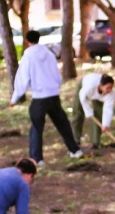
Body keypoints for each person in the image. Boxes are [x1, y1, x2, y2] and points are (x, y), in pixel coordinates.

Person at [10, 30, 82, 166]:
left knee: (37, 127)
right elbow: (56, 74)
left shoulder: (28, 56)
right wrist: (55, 87)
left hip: (39, 97)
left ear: (27, 41)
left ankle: (37, 158)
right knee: (62, 123)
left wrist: (15, 97)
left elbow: (22, 78)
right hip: (53, 95)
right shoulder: (49, 54)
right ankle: (75, 150)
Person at [71, 73, 115, 149]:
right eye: (107, 88)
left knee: (98, 114)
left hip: (98, 95)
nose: (109, 90)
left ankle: (95, 142)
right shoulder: (89, 87)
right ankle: (75, 141)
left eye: (111, 87)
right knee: (78, 114)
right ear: (101, 85)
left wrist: (105, 124)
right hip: (82, 88)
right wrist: (88, 111)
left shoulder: (111, 94)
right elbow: (82, 97)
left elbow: (108, 109)